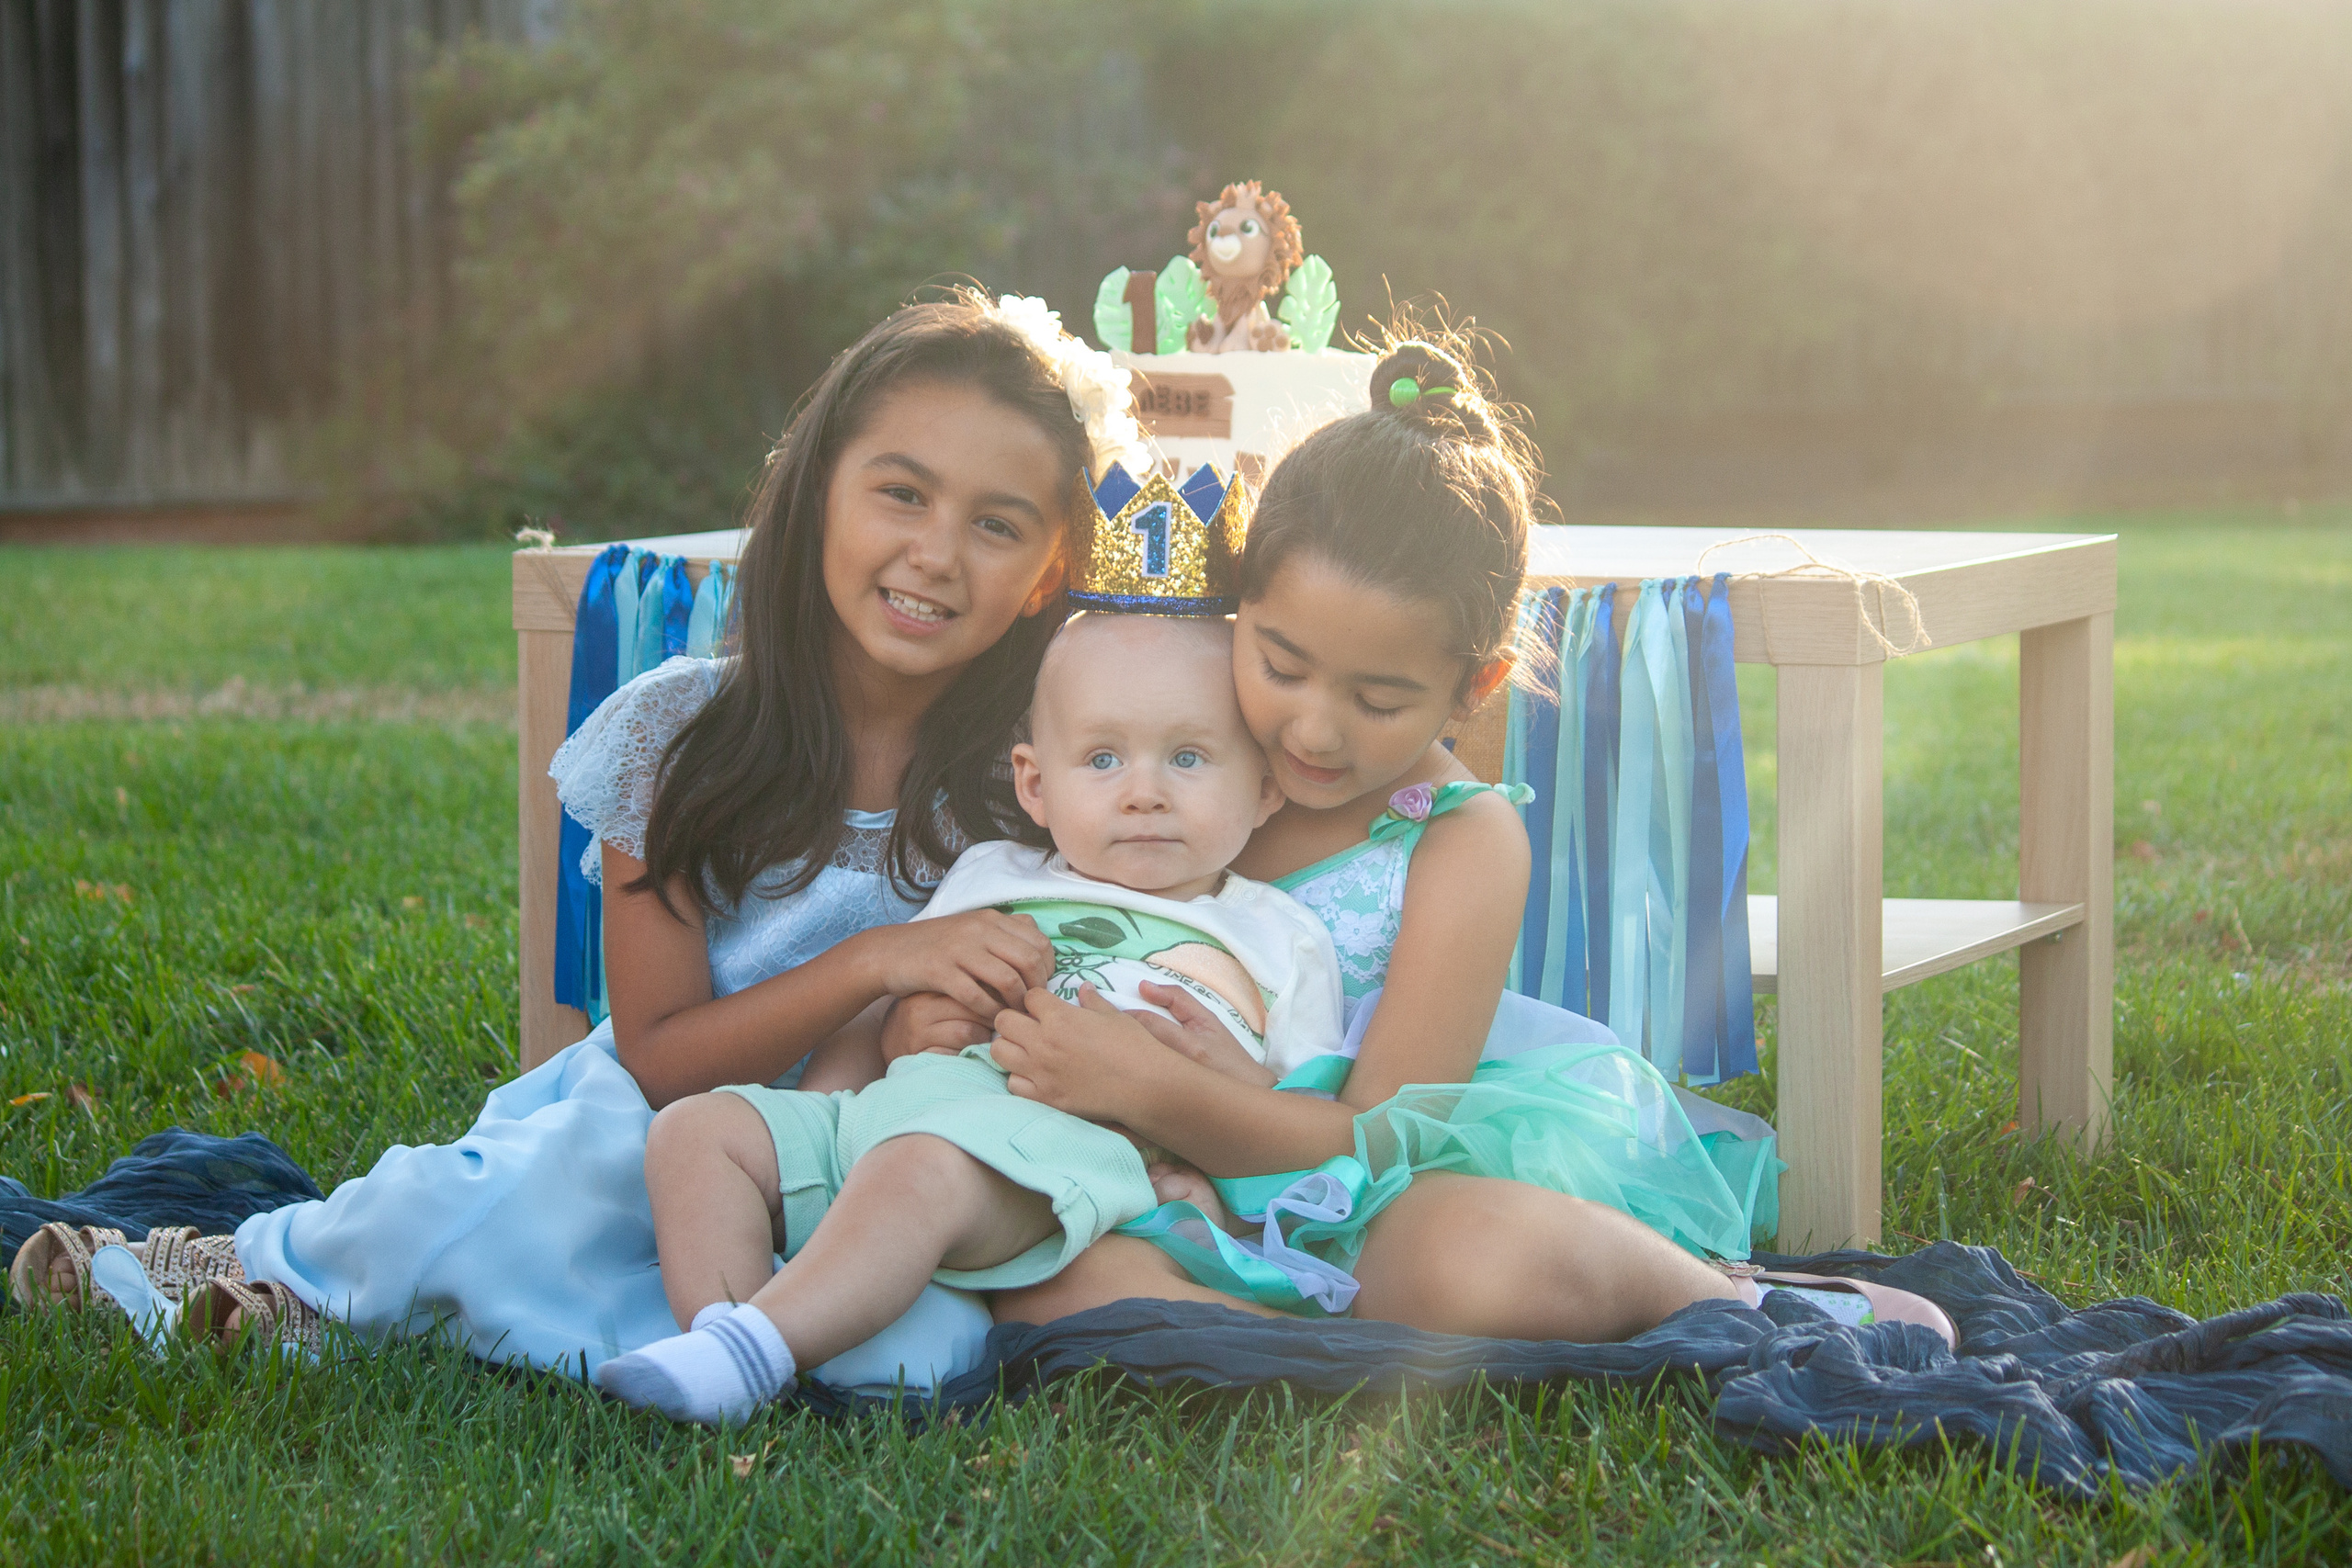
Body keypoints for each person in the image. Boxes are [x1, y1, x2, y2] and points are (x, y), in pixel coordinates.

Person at [14, 291, 1142, 1381]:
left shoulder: (1040, 784)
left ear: (1048, 572)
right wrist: (876, 962)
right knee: (546, 1190)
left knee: (922, 1350)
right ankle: (261, 1272)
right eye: (902, 493)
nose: (938, 554)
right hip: (656, 1126)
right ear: (819, 496)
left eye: (995, 525)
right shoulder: (681, 734)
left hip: (870, 1159)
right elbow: (657, 1057)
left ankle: (598, 1326)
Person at [920, 337, 1953, 1347]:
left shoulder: (1460, 840)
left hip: (1367, 1185)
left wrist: (1166, 1095)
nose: (1314, 731)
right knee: (1052, 1281)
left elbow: (1387, 1134)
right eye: (1280, 666)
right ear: (1240, 616)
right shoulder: (1171, 750)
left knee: (1476, 1258)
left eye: (1379, 699)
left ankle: (1726, 1302)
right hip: (1126, 1167)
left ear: (1476, 687)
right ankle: (1289, 1340)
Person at [595, 612, 1344, 1423]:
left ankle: (757, 1348)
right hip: (897, 1108)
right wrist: (853, 1076)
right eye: (1101, 758)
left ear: (1266, 786)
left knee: (924, 1167)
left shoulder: (1278, 933)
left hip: (1057, 1155)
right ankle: (732, 1342)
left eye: (1189, 757)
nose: (1144, 791)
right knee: (696, 1131)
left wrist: (1222, 1175)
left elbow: (1305, 1130)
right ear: (1034, 784)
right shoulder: (992, 870)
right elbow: (886, 1010)